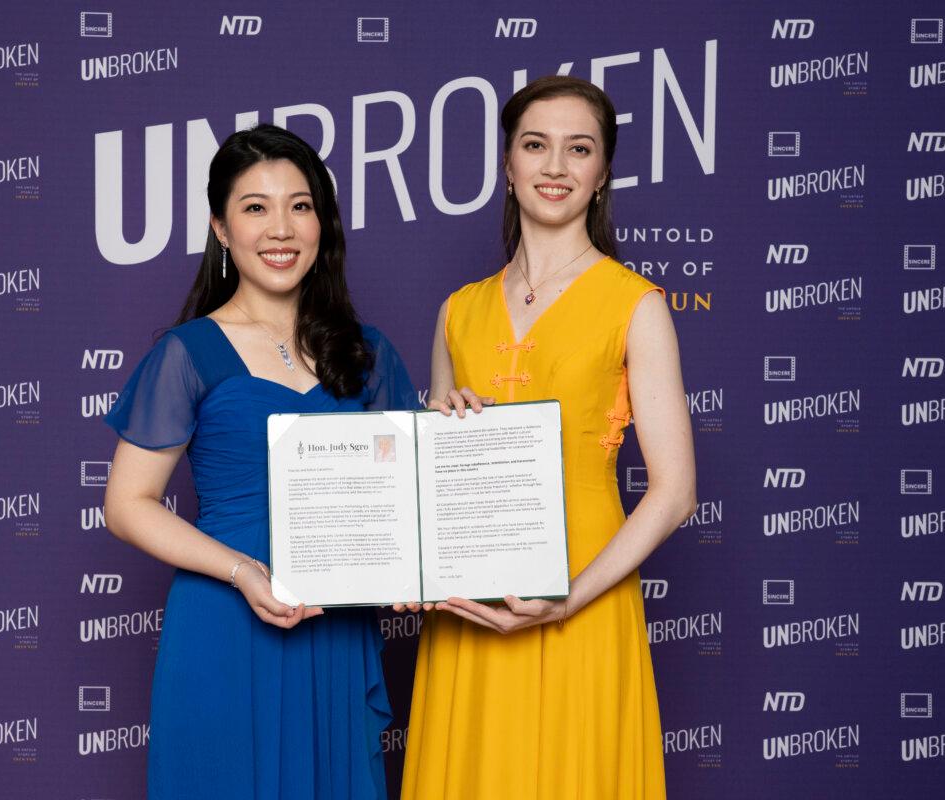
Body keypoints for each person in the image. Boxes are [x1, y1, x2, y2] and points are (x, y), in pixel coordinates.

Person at [399, 76, 697, 799]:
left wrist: (569, 597)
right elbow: (434, 487)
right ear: (508, 165)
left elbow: (676, 493)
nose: (555, 166)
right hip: (472, 608)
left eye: (579, 149)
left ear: (601, 176)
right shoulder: (457, 313)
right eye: (536, 145)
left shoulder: (637, 304)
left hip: (584, 602)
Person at [102, 123, 417, 800]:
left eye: (300, 206)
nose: (281, 229)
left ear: (323, 223)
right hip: (225, 621)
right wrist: (244, 573)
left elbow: (416, 497)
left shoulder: (368, 353)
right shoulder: (186, 353)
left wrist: (462, 422)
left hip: (334, 632)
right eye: (256, 208)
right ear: (220, 228)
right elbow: (126, 506)